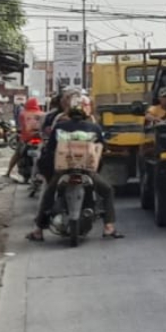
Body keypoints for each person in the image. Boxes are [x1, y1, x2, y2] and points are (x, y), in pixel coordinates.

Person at [28, 98, 122, 241]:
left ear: (69, 112)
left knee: (48, 194)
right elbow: (102, 147)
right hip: (87, 170)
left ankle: (38, 230)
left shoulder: (59, 127)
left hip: (63, 170)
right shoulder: (94, 128)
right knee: (107, 190)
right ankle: (109, 227)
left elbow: (51, 148)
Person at [5, 97, 45, 178]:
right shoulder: (43, 114)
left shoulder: (23, 113)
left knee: (17, 154)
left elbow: (21, 126)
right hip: (39, 137)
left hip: (26, 138)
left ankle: (8, 172)